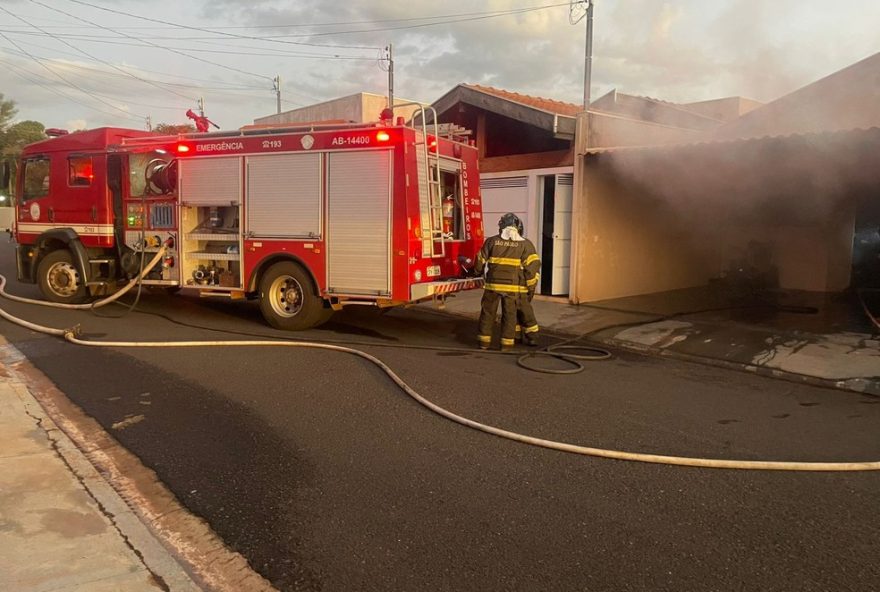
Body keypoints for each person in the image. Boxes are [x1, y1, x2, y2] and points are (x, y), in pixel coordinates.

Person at [474, 213, 541, 351]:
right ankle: (506, 345)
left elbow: (480, 260)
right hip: (512, 287)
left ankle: (484, 343)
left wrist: (477, 273)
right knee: (509, 314)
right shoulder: (525, 244)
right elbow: (532, 268)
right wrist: (530, 287)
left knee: (487, 313)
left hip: (492, 286)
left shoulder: (491, 241)